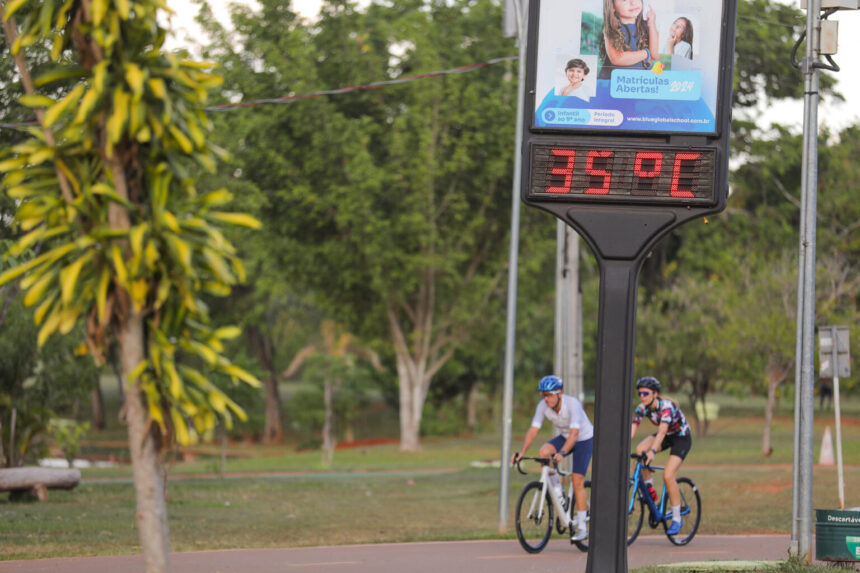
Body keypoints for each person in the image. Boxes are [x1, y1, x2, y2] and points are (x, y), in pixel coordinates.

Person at [511, 375, 594, 542]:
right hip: (565, 436)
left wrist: (562, 453)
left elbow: (574, 435)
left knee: (577, 480)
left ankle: (582, 528)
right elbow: (534, 429)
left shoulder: (572, 405)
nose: (546, 399)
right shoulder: (543, 406)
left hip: (583, 439)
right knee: (544, 453)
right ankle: (559, 493)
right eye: (544, 395)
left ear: (560, 393)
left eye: (549, 395)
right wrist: (522, 451)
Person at [630, 376, 692, 536]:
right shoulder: (642, 408)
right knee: (639, 450)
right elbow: (632, 428)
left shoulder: (666, 407)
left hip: (680, 437)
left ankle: (677, 519)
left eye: (645, 393)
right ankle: (650, 489)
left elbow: (662, 431)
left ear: (655, 394)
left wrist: (653, 451)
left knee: (668, 475)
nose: (642, 397)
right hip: (665, 435)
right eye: (640, 394)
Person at [599, 0, 661, 79]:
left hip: (639, 82)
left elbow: (656, 55)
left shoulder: (647, 26)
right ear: (612, 6)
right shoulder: (610, 29)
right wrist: (647, 53)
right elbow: (617, 59)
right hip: (616, 83)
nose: (633, 2)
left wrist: (651, 24)